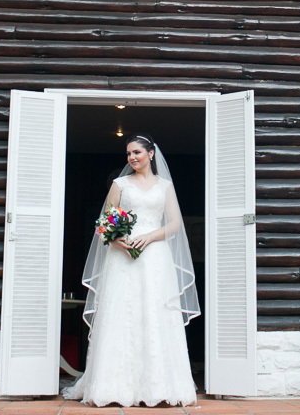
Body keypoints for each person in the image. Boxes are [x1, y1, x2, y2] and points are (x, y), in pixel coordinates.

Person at [63, 134, 199, 407]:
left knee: (154, 313)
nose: (132, 158)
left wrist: (149, 237)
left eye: (137, 152)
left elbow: (174, 224)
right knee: (121, 314)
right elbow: (104, 222)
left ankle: (159, 386)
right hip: (122, 257)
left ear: (151, 154)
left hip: (156, 256)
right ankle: (112, 387)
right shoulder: (120, 185)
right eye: (128, 154)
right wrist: (114, 239)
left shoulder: (165, 187)